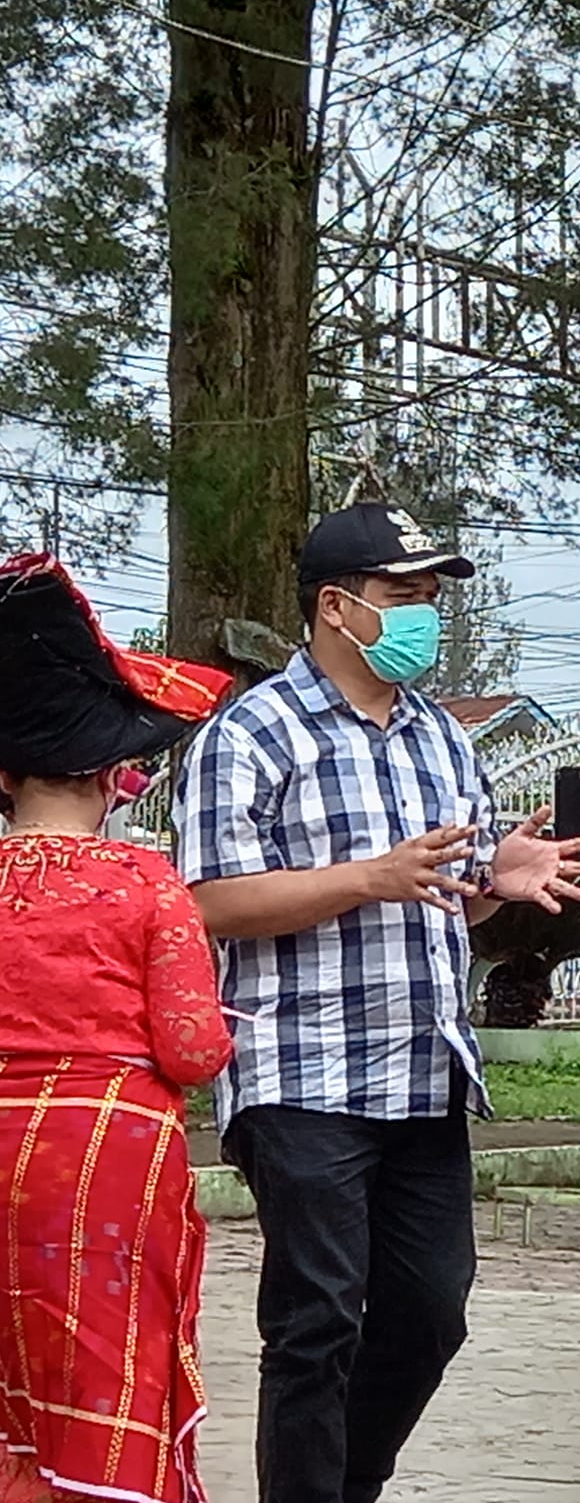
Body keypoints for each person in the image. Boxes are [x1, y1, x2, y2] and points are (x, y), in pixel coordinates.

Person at [174, 504, 580, 1503]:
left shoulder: (439, 740)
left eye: (431, 597)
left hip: (422, 1072)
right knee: (318, 1318)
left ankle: (344, 1484)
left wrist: (500, 877)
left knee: (429, 1313)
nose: (425, 616)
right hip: (301, 1072)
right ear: (335, 607)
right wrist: (365, 877)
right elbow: (207, 903)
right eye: (403, 595)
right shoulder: (250, 734)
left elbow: (440, 904)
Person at [0, 553, 236, 1503]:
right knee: (105, 1360)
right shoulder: (146, 884)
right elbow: (191, 1048)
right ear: (112, 774)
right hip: (104, 1159)